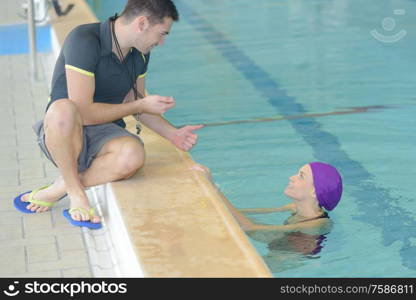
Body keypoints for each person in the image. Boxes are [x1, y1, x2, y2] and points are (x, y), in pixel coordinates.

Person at [13, 0, 203, 229]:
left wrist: (173, 134)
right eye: (162, 34)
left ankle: (61, 186)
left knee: (133, 155)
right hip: (62, 133)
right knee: (63, 108)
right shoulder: (85, 40)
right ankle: (76, 194)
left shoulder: (139, 54)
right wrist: (139, 105)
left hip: (104, 134)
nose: (161, 42)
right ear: (142, 23)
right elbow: (84, 112)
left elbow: (135, 102)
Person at [191, 162, 342, 262]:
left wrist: (215, 191)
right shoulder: (295, 207)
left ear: (315, 192)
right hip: (280, 244)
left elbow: (251, 229)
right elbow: (249, 214)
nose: (292, 177)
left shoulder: (317, 224)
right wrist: (212, 209)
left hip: (288, 258)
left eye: (301, 176)